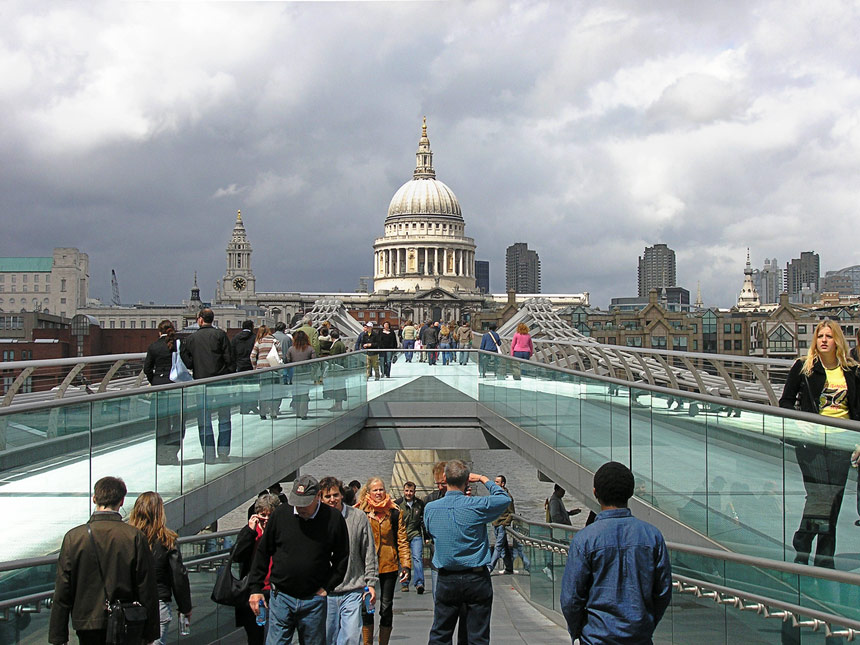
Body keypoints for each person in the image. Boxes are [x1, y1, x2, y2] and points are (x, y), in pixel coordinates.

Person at [560, 461, 672, 644]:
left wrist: (579, 632)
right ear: (631, 492)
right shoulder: (652, 536)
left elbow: (571, 598)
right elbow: (663, 592)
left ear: (595, 493)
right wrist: (646, 625)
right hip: (640, 637)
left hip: (596, 638)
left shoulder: (585, 539)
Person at [779, 319, 860, 568]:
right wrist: (799, 423)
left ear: (838, 341)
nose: (824, 340)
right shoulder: (803, 368)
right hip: (812, 444)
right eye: (820, 336)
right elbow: (785, 402)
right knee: (819, 496)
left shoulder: (851, 371)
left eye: (829, 336)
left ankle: (824, 557)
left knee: (834, 499)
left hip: (841, 443)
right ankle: (804, 542)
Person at [49, 476, 159, 645]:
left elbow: (63, 588)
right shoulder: (134, 536)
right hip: (127, 621)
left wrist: (58, 636)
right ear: (121, 501)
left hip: (87, 622)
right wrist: (150, 632)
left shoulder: (74, 537)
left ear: (94, 498)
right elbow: (147, 586)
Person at [248, 476, 349, 645]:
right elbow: (263, 552)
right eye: (297, 502)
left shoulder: (333, 518)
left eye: (305, 503)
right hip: (281, 595)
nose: (300, 507)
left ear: (318, 497)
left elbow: (342, 557)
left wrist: (326, 587)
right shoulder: (280, 514)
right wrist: (255, 588)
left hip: (313, 599)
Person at [424, 460, 511, 645]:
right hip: (476, 578)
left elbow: (430, 532)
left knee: (441, 633)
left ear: (444, 479)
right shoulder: (476, 506)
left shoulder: (430, 508)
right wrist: (482, 478)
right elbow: (504, 499)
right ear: (467, 482)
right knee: (477, 636)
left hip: (446, 578)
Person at [319, 477, 379, 645]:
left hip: (353, 588)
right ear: (320, 498)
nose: (332, 500)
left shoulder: (358, 517)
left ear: (342, 495)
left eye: (335, 495)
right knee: (328, 638)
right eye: (327, 496)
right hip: (326, 592)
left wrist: (371, 583)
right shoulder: (316, 521)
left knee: (351, 637)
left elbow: (368, 551)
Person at [128, 491, 192, 645]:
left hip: (129, 605)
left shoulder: (127, 538)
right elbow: (178, 576)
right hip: (159, 604)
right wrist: (185, 607)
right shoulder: (167, 540)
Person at [356, 477, 411, 645]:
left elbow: (401, 540)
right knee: (367, 607)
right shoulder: (360, 512)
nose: (379, 493)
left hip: (389, 565)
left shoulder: (394, 512)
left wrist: (406, 565)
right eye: (375, 490)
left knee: (386, 607)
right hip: (366, 566)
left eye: (381, 489)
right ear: (368, 492)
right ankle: (367, 642)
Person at [181, 308, 236, 463]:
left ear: (200, 319)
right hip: (221, 382)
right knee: (224, 417)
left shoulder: (192, 339)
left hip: (201, 382)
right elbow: (229, 359)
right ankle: (223, 452)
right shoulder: (220, 335)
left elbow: (187, 360)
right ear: (212, 319)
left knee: (204, 420)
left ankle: (208, 454)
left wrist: (195, 366)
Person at [234, 493, 281, 644]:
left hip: (276, 590)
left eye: (270, 515)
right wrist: (250, 532)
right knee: (255, 636)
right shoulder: (250, 531)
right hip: (254, 590)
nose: (266, 519)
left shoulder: (281, 531)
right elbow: (237, 556)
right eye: (263, 515)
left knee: (276, 634)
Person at [144, 320, 184, 465]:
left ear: (159, 332)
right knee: (177, 423)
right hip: (175, 386)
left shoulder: (153, 347)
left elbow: (147, 369)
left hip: (159, 387)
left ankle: (161, 457)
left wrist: (153, 380)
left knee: (161, 424)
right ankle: (173, 454)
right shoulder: (178, 345)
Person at [488, 475, 530, 575]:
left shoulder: (508, 497)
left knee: (498, 547)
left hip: (502, 525)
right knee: (504, 548)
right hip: (496, 524)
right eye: (494, 482)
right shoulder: (495, 495)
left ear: (503, 484)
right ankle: (509, 567)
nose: (495, 484)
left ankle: (490, 568)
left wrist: (504, 524)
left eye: (497, 482)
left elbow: (511, 513)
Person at [394, 481, 426, 594]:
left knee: (417, 557)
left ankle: (419, 583)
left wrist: (426, 536)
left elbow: (423, 521)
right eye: (406, 491)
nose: (408, 493)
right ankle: (405, 583)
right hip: (402, 536)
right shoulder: (397, 504)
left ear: (414, 492)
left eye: (411, 491)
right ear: (403, 491)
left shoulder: (420, 504)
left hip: (415, 534)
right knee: (404, 560)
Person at [250, 324, 283, 420]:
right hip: (273, 369)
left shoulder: (259, 342)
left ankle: (263, 412)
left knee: (264, 391)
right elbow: (280, 357)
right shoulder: (275, 341)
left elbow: (252, 356)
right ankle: (273, 411)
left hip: (262, 369)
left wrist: (255, 367)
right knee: (274, 391)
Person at [285, 329, 317, 419]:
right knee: (304, 394)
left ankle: (298, 412)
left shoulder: (291, 349)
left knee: (296, 394)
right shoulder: (310, 349)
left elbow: (287, 360)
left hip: (295, 374)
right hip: (306, 373)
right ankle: (303, 413)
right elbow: (315, 362)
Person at [232, 320, 259, 415]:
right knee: (253, 387)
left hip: (240, 366)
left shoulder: (236, 338)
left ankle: (243, 407)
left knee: (242, 388)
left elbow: (232, 353)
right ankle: (253, 405)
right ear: (251, 327)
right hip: (251, 365)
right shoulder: (254, 338)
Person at [324, 330, 349, 412]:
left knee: (337, 387)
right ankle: (338, 405)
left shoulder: (336, 345)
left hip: (337, 369)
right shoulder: (340, 344)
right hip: (341, 368)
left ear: (331, 337)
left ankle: (338, 405)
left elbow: (333, 357)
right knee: (340, 387)